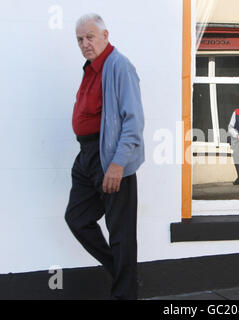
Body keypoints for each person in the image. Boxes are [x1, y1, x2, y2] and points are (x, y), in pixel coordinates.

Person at [64, 14, 145, 300]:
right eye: (79, 39)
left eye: (90, 37)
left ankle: (125, 293)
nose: (85, 43)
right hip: (86, 155)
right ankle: (123, 273)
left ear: (105, 35)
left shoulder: (119, 66)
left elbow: (133, 124)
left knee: (120, 234)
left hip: (110, 159)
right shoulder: (90, 68)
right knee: (77, 218)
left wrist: (117, 164)